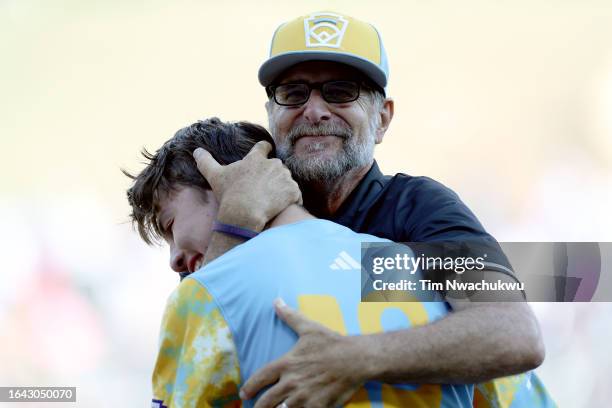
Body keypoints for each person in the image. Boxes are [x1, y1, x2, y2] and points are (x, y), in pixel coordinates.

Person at [189, 11, 555, 408]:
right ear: (271, 116)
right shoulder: (243, 205)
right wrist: (234, 225)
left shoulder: (417, 208)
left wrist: (353, 359)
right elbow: (195, 354)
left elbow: (514, 332)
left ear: (382, 119)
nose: (314, 111)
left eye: (341, 91)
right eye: (293, 93)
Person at [125, 118, 475, 407]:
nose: (174, 261)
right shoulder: (412, 265)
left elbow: (522, 335)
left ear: (226, 182)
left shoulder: (203, 298)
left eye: (170, 226)